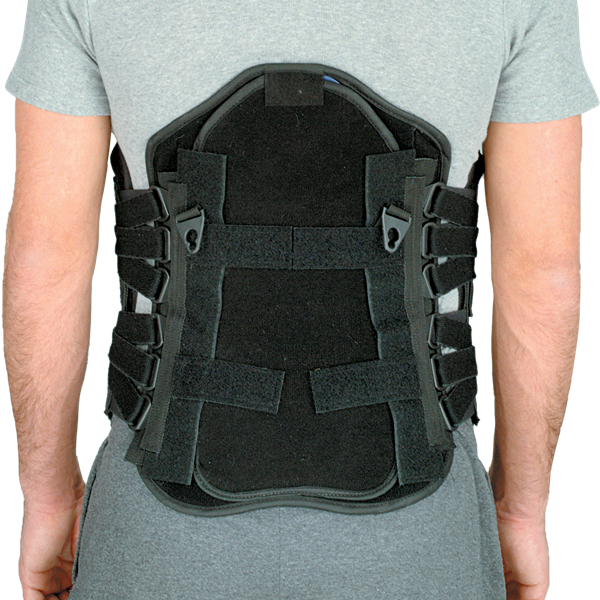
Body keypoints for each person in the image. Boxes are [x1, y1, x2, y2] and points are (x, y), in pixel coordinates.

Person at [3, 1, 594, 599]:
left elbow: (47, 260)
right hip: (421, 542)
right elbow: (541, 272)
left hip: (156, 539)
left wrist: (49, 498)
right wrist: (520, 510)